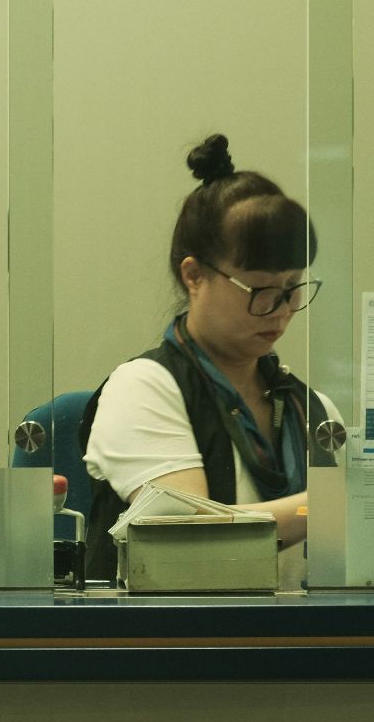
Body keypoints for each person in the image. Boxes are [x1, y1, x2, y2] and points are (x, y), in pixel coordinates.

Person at [80, 134, 340, 582]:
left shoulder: (310, 407)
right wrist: (325, 507)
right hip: (175, 640)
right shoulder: (143, 386)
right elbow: (190, 539)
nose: (279, 311)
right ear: (195, 274)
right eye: (259, 291)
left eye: (292, 289)